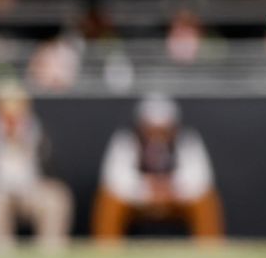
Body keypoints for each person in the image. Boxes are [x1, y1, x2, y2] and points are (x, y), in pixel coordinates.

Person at [91, 94, 223, 242]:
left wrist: (169, 189)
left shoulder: (187, 140)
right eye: (151, 129)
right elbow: (114, 179)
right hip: (137, 200)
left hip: (176, 199)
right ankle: (106, 252)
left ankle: (210, 251)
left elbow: (200, 178)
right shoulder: (126, 140)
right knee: (110, 200)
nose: (157, 135)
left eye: (163, 129)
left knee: (205, 201)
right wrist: (149, 189)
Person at [0, 83, 73, 253]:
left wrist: (25, 142)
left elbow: (52, 171)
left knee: (56, 197)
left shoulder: (38, 133)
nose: (13, 118)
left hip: (31, 191)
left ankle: (51, 254)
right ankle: (1, 254)